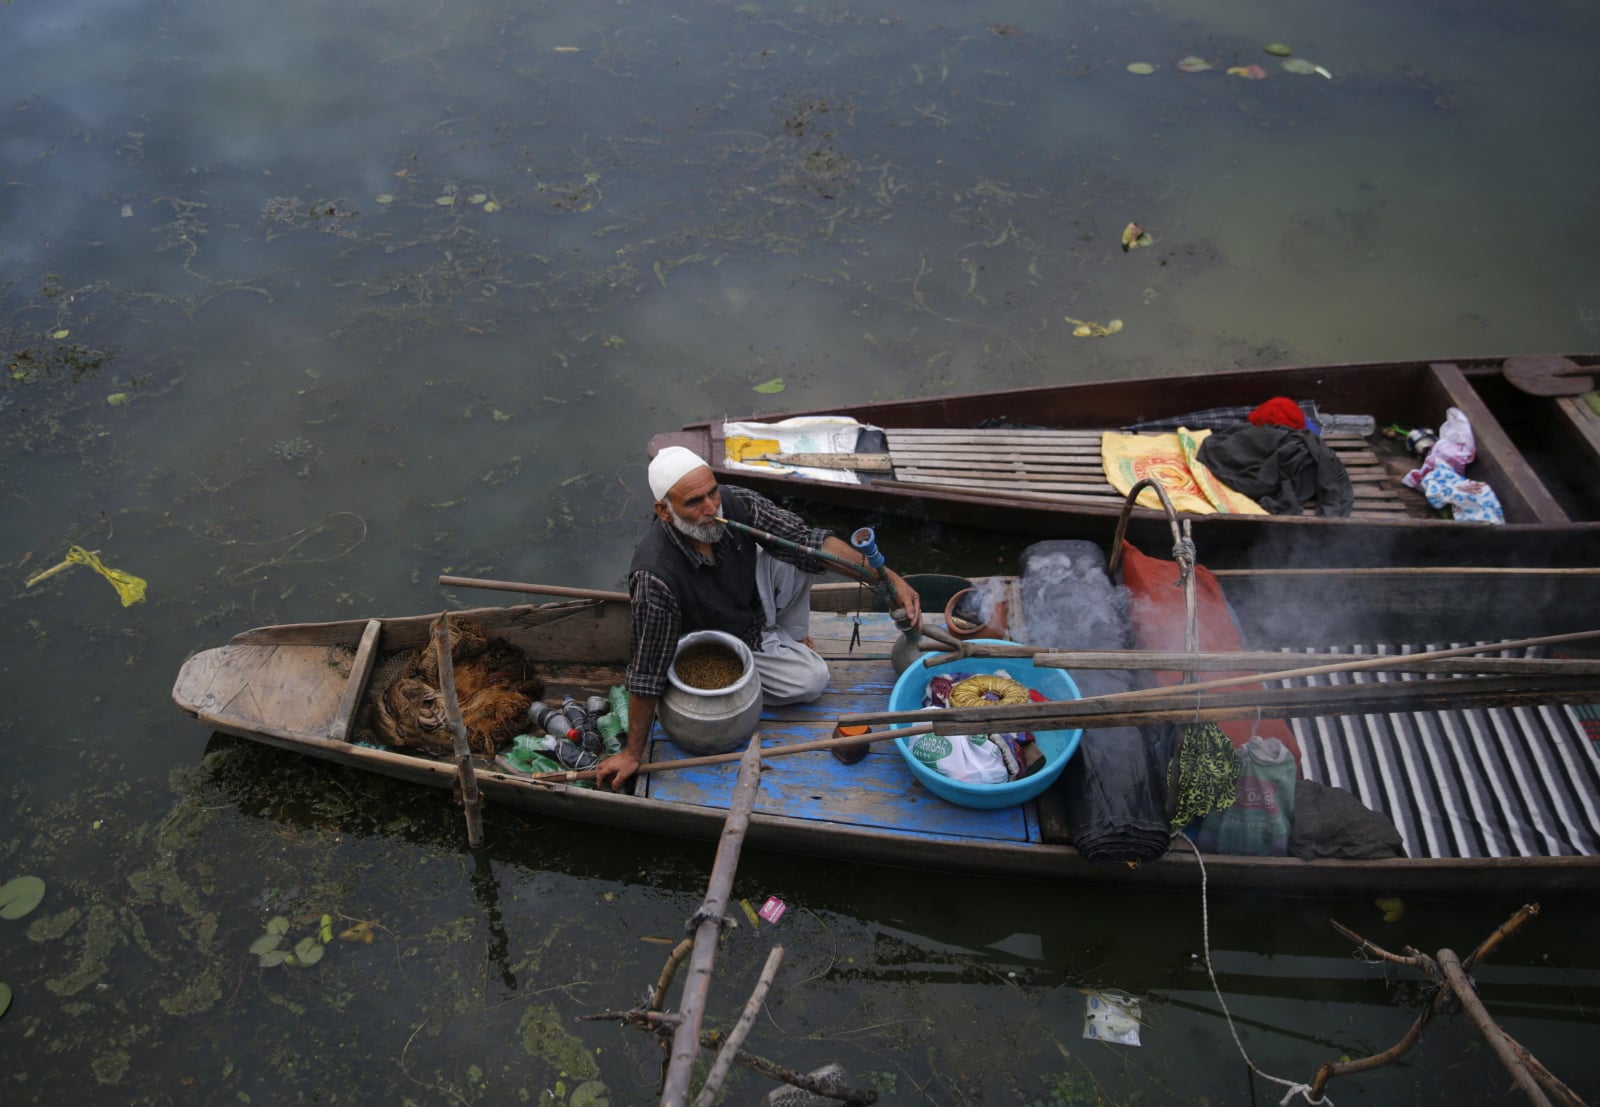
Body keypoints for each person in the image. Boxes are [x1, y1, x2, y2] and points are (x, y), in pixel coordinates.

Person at [594, 446, 921, 791]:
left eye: (713, 492)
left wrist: (885, 578)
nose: (711, 508)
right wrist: (634, 752)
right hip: (713, 646)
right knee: (812, 680)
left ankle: (788, 637)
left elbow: (808, 540)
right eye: (694, 503)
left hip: (750, 612)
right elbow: (647, 673)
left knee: (796, 552)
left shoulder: (737, 503)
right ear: (664, 510)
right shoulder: (655, 576)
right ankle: (773, 649)